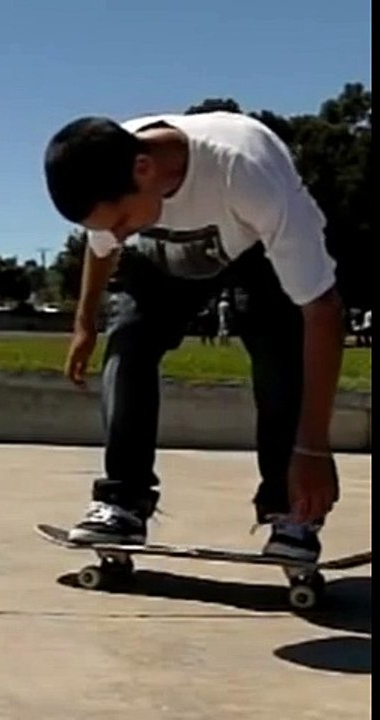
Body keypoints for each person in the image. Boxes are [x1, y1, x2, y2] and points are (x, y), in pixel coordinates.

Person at [42, 111, 344, 562]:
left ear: (144, 170)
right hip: (169, 260)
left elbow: (323, 310)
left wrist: (314, 448)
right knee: (129, 340)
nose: (119, 236)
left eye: (122, 220)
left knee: (278, 353)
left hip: (257, 250)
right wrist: (84, 323)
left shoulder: (246, 172)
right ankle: (123, 501)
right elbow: (100, 247)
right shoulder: (111, 166)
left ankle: (292, 509)